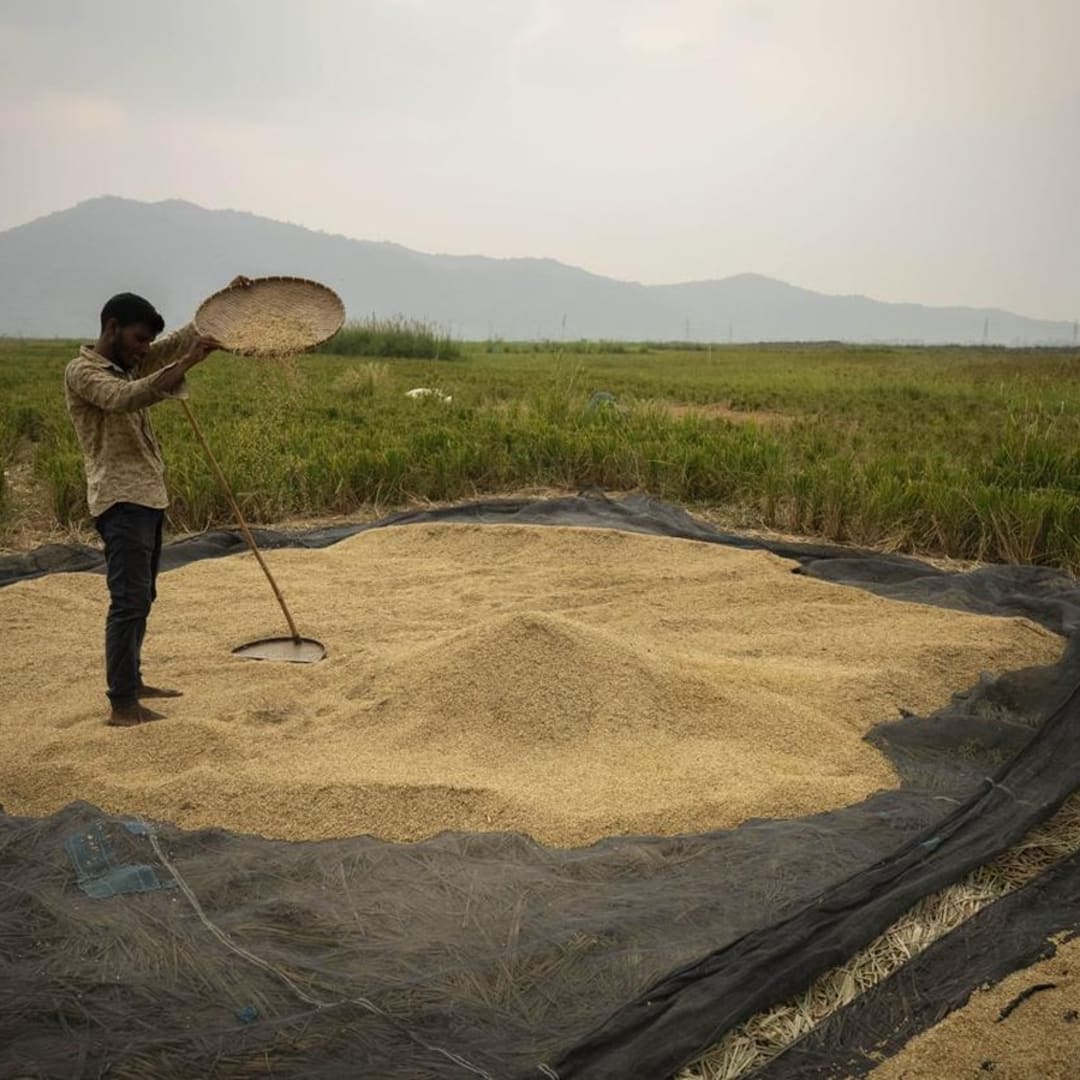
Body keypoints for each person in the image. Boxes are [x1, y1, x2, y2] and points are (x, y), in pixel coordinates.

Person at [64, 287, 238, 726]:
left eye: (147, 343)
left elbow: (178, 341)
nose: (145, 350)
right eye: (139, 340)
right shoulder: (84, 373)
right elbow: (126, 398)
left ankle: (133, 680)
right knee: (127, 601)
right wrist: (188, 362)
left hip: (147, 498)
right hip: (119, 500)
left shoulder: (129, 365)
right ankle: (122, 704)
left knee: (144, 596)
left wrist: (226, 303)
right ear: (112, 328)